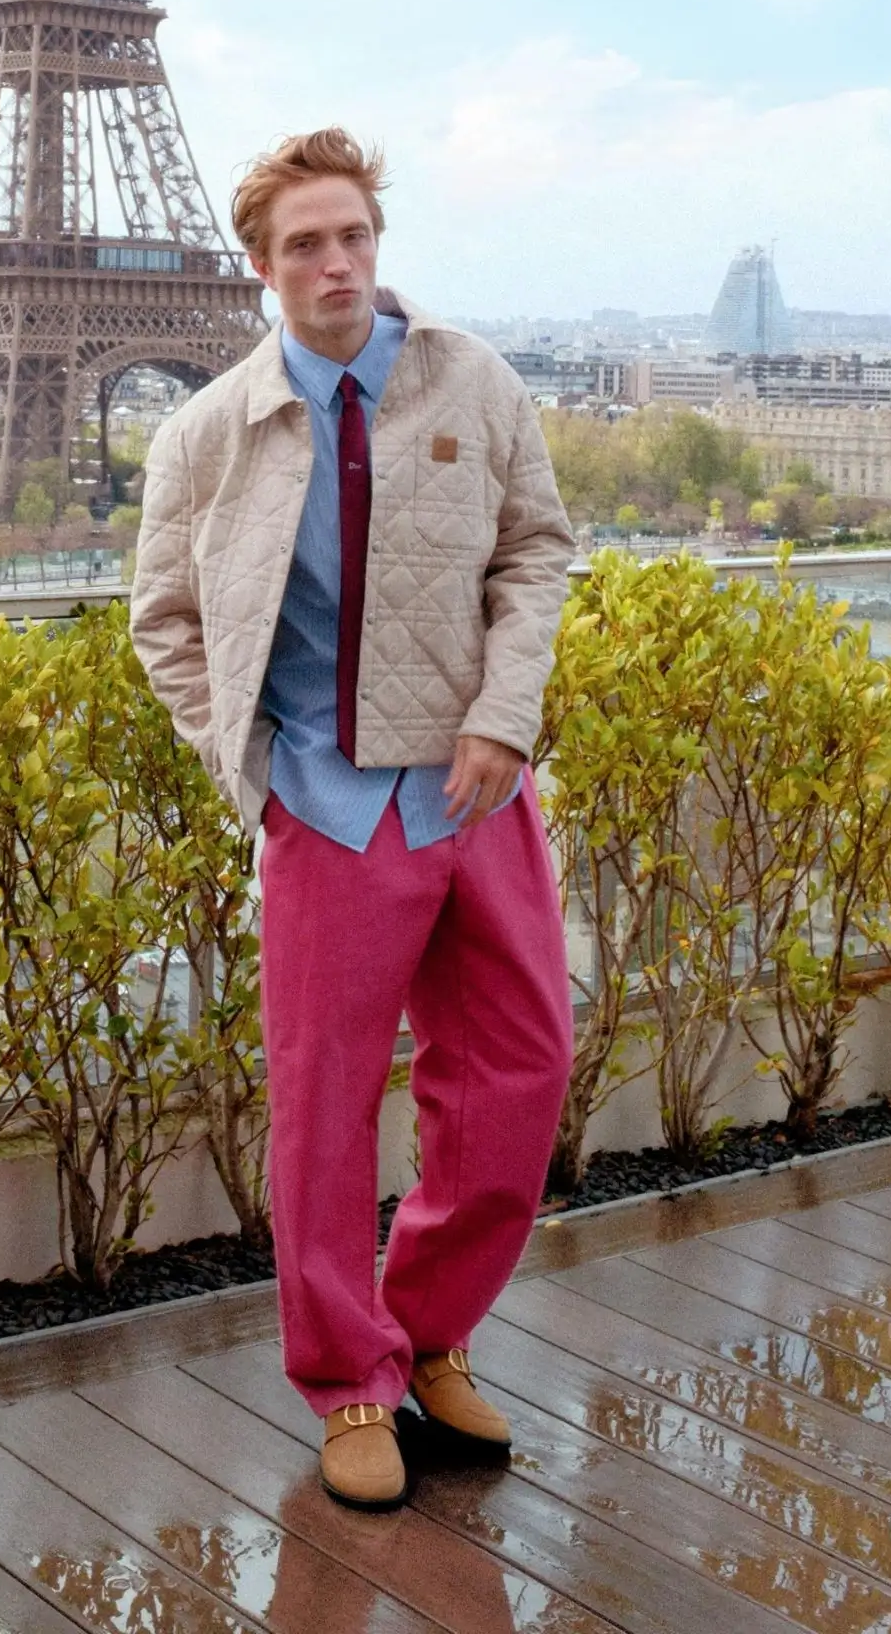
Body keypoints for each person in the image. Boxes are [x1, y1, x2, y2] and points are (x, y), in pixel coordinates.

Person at [131, 128, 574, 1512]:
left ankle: (427, 1331)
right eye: (305, 245)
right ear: (261, 269)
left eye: (354, 237)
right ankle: (347, 1384)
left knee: (516, 1070)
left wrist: (504, 715)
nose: (335, 264)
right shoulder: (208, 431)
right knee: (323, 1109)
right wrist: (245, 767)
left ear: (375, 243)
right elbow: (166, 619)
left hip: (469, 789)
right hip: (325, 806)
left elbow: (534, 550)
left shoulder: (473, 381)